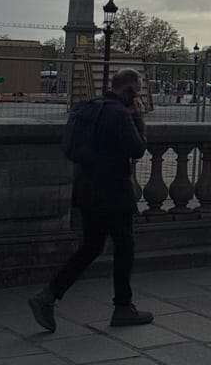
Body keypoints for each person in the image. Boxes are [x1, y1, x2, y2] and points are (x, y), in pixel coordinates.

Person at [28, 69, 153, 332]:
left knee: (91, 246)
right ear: (129, 89)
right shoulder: (119, 115)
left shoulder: (89, 108)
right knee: (124, 247)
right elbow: (138, 149)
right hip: (114, 192)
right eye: (138, 89)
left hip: (87, 189)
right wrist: (139, 119)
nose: (139, 95)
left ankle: (48, 295)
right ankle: (123, 307)